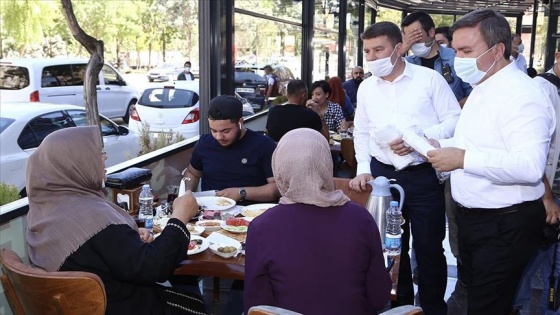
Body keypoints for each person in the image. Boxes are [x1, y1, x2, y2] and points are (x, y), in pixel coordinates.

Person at [427, 9, 555, 315]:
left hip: (504, 224)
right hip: (474, 219)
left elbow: (529, 166)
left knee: (488, 306)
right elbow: (478, 143)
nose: (458, 59)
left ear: (497, 50)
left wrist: (463, 159)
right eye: (456, 50)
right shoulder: (483, 87)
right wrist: (439, 146)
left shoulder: (523, 95)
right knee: (478, 298)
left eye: (466, 51)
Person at [25, 126, 206, 315]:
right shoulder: (92, 218)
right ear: (74, 164)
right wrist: (180, 216)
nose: (105, 158)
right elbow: (154, 267)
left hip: (90, 305)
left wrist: (130, 237)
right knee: (195, 303)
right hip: (127, 306)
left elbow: (101, 251)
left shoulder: (45, 211)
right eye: (97, 153)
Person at [349, 21, 461, 315]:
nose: (372, 57)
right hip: (382, 176)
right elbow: (360, 131)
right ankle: (400, 307)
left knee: (429, 250)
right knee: (390, 250)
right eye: (368, 52)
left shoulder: (429, 80)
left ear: (398, 48)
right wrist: (363, 168)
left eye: (379, 50)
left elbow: (454, 120)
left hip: (423, 176)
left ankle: (433, 308)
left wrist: (418, 138)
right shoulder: (366, 88)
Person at [244, 128, 392, 314]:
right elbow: (379, 296)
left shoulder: (261, 227)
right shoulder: (361, 218)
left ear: (280, 169)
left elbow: (255, 303)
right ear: (326, 165)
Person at [512, 51, 560, 315]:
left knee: (553, 267)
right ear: (558, 56)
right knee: (530, 260)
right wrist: (546, 197)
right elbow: (532, 149)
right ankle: (514, 308)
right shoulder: (540, 89)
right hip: (545, 191)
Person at [183, 95, 280, 205]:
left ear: (240, 122)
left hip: (250, 212)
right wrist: (187, 192)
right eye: (214, 131)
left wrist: (241, 193)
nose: (219, 137)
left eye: (226, 131)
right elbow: (192, 173)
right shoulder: (204, 144)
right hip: (210, 213)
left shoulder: (264, 145)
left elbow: (276, 188)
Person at [402, 11, 472, 107]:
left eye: (415, 36)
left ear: (431, 32)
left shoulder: (456, 58)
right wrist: (401, 51)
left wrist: (452, 108)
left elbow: (474, 93)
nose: (412, 42)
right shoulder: (408, 63)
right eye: (408, 39)